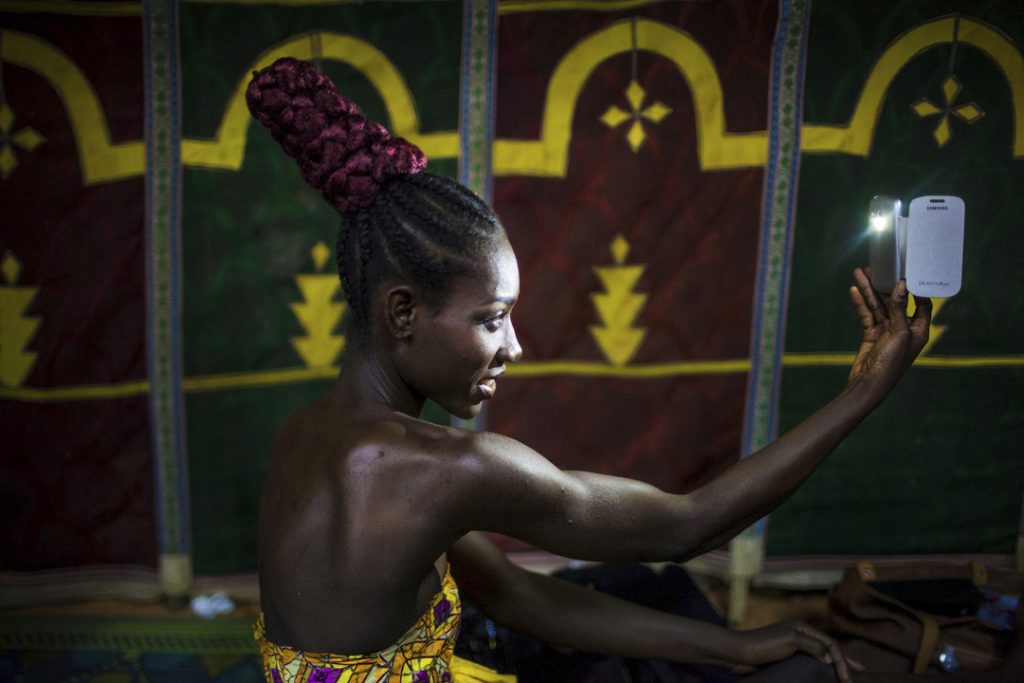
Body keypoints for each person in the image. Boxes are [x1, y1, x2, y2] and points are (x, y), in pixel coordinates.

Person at [245, 57, 932, 683]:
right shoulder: (441, 468)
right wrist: (867, 388)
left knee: (653, 597)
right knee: (792, 673)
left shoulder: (304, 435)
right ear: (403, 312)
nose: (513, 346)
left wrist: (737, 645)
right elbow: (687, 525)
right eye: (491, 318)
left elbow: (517, 594)